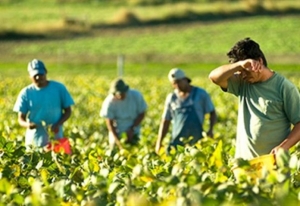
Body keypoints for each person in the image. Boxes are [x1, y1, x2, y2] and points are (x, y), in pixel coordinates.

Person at [209, 37, 300, 160]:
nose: (242, 74)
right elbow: (214, 77)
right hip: (245, 164)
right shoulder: (242, 83)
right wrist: (240, 65)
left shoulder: (284, 87)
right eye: (239, 71)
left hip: (273, 164)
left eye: (245, 70)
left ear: (259, 62)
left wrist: (283, 147)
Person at [13, 59, 75, 148]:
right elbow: (20, 119)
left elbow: (68, 111)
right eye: (35, 75)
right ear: (30, 76)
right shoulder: (26, 93)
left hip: (56, 138)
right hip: (34, 140)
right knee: (34, 160)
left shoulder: (59, 88)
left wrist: (58, 124)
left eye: (40, 74)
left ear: (45, 72)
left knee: (57, 159)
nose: (38, 77)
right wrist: (29, 125)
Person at [155, 68, 217, 154]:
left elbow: (212, 113)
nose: (177, 86)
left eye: (179, 82)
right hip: (177, 142)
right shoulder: (172, 97)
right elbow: (165, 120)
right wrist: (159, 142)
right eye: (174, 84)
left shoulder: (201, 94)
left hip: (197, 141)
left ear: (185, 79)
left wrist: (210, 130)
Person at [100, 78, 147, 150]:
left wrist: (132, 129)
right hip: (117, 133)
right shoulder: (109, 102)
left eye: (122, 93)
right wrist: (118, 142)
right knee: (114, 151)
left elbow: (142, 113)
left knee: (135, 151)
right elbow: (110, 123)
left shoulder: (136, 96)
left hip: (134, 131)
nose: (120, 96)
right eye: (118, 94)